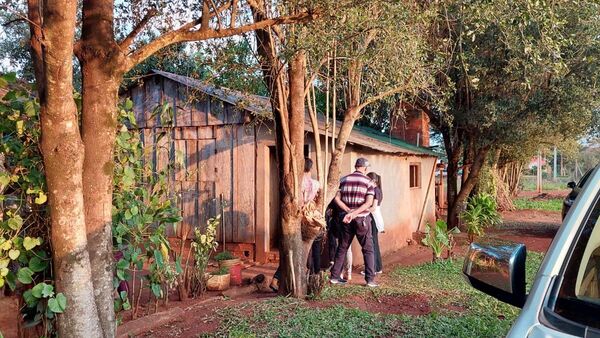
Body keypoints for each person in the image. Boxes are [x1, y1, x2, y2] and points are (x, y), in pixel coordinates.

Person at [270, 158, 321, 291]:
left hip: (295, 218)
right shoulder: (316, 184)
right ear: (311, 168)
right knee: (303, 252)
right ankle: (295, 280)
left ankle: (278, 279)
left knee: (292, 250)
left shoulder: (294, 183)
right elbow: (318, 199)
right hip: (309, 220)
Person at [330, 158, 378, 287]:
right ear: (365, 168)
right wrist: (354, 213)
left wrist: (348, 211)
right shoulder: (368, 182)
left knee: (342, 247)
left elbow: (336, 198)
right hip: (361, 219)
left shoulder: (344, 180)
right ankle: (370, 280)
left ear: (356, 166)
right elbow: (368, 203)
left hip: (345, 219)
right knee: (368, 249)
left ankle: (334, 277)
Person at [363, 172, 384, 275]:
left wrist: (362, 209)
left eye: (367, 180)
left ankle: (374, 268)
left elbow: (373, 208)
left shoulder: (375, 190)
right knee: (374, 243)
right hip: (376, 218)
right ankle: (378, 267)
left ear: (373, 181)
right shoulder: (378, 190)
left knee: (372, 243)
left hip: (373, 218)